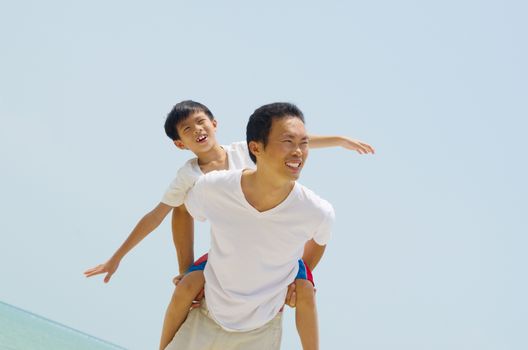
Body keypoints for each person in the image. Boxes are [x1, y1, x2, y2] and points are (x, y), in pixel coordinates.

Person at [83, 100, 374, 349]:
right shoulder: (193, 179)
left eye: (201, 122)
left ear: (214, 123)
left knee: (306, 291)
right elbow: (166, 214)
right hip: (231, 249)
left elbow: (292, 141)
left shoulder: (241, 151)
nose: (198, 130)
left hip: (276, 248)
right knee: (186, 287)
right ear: (179, 143)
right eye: (187, 129)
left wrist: (338, 141)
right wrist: (167, 264)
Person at [165, 102, 338, 350]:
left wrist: (294, 280)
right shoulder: (215, 186)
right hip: (208, 314)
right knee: (185, 288)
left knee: (307, 290)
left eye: (303, 143)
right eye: (288, 141)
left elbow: (320, 240)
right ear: (255, 147)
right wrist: (184, 267)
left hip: (262, 330)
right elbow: (182, 209)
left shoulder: (317, 211)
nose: (298, 151)